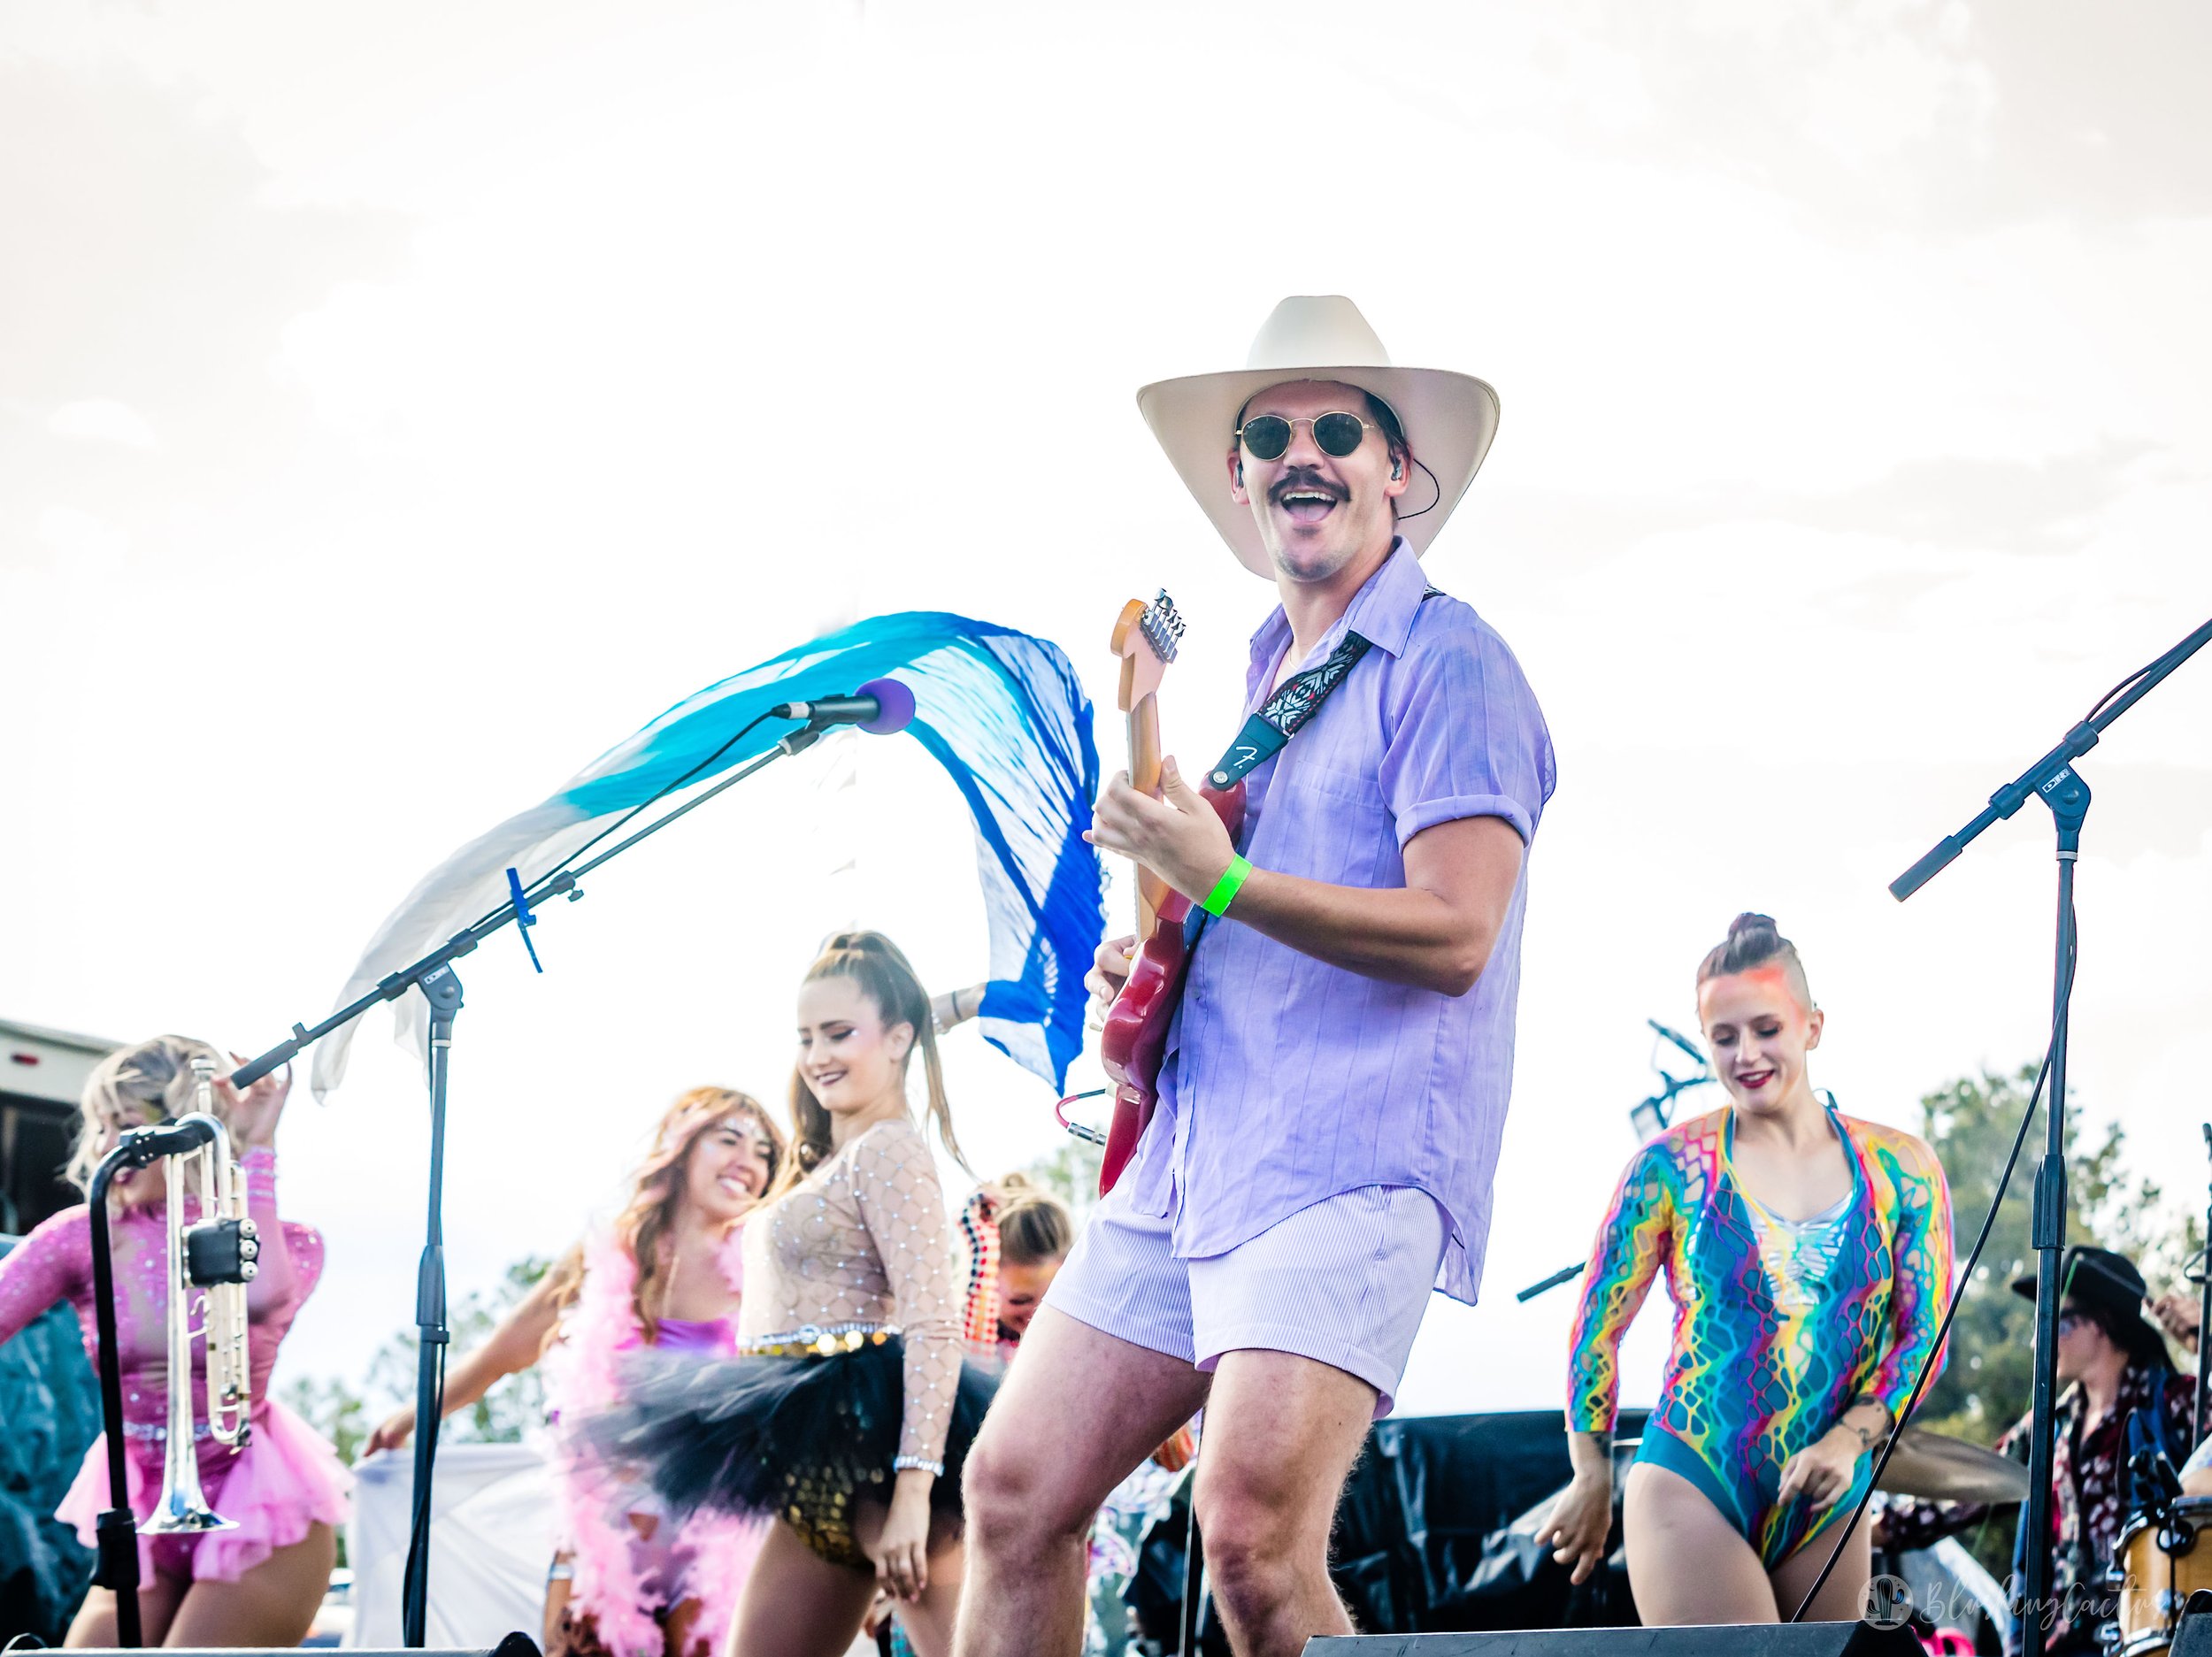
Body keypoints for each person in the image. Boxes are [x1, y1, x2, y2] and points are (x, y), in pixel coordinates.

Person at [956, 295, 1555, 1657]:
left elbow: (1456, 933)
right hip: (1198, 1156)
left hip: (1349, 1159)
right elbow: (1241, 903)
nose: (1303, 456)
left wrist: (1218, 884)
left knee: (1251, 1546)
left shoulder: (1452, 658)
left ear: (1399, 468)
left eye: (1337, 430)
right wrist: (1167, 946)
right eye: (1269, 437)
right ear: (1238, 479)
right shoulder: (1272, 678)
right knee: (1012, 1492)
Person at [1543, 914, 1955, 1625]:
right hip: (1695, 1478)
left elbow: (1925, 1337)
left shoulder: (1902, 1167)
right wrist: (1591, 1470)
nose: (1747, 1054)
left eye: (1767, 1029)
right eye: (1724, 1037)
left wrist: (1848, 1439)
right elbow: (1596, 1329)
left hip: (1827, 1492)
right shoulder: (1669, 1167)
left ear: (1813, 1026)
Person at [603, 931, 995, 1657]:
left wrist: (914, 1493)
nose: (817, 1055)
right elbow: (872, 1039)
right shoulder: (830, 1152)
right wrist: (941, 1008)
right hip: (812, 1465)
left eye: (838, 1033)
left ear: (899, 1037)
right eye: (806, 1036)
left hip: (882, 1462)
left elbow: (933, 1324)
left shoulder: (889, 1149)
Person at [364, 1085, 787, 1657]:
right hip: (605, 1536)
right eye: (729, 1139)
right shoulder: (608, 1256)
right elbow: (503, 1352)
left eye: (763, 1153)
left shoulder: (767, 1269)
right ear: (681, 1147)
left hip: (712, 1536)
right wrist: (414, 1415)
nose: (748, 1162)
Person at [0, 1035, 350, 1647]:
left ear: (182, 1130)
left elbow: (263, 1296)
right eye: (101, 1127)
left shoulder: (290, 1242)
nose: (107, 1146)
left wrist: (259, 1148)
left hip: (260, 1513)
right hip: (144, 1510)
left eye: (126, 1125)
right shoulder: (81, 1235)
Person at [1886, 1245, 2200, 1653]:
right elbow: (1967, 1495)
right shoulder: (2050, 1423)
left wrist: (2203, 1343)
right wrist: (1875, 1530)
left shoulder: (2176, 1401)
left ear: (2099, 1324)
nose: (2040, 1340)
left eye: (2056, 1322)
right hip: (2057, 1643)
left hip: (2152, 1636)